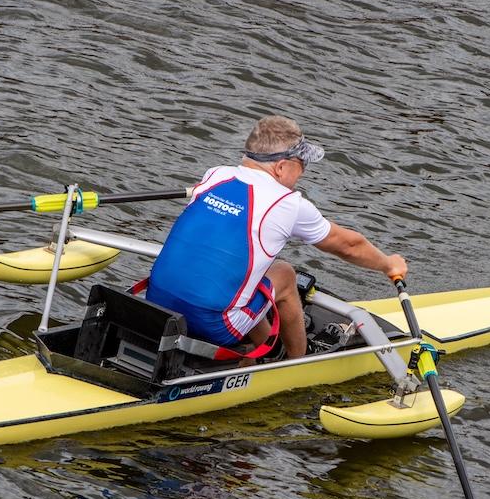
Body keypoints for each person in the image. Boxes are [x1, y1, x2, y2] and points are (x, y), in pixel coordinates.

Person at [145, 115, 407, 359]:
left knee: (237, 267)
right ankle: (295, 360)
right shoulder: (287, 203)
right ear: (281, 167)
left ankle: (261, 345)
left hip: (156, 305)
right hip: (214, 325)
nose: (303, 172)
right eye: (302, 164)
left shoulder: (216, 175)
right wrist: (388, 264)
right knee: (284, 273)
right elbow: (349, 245)